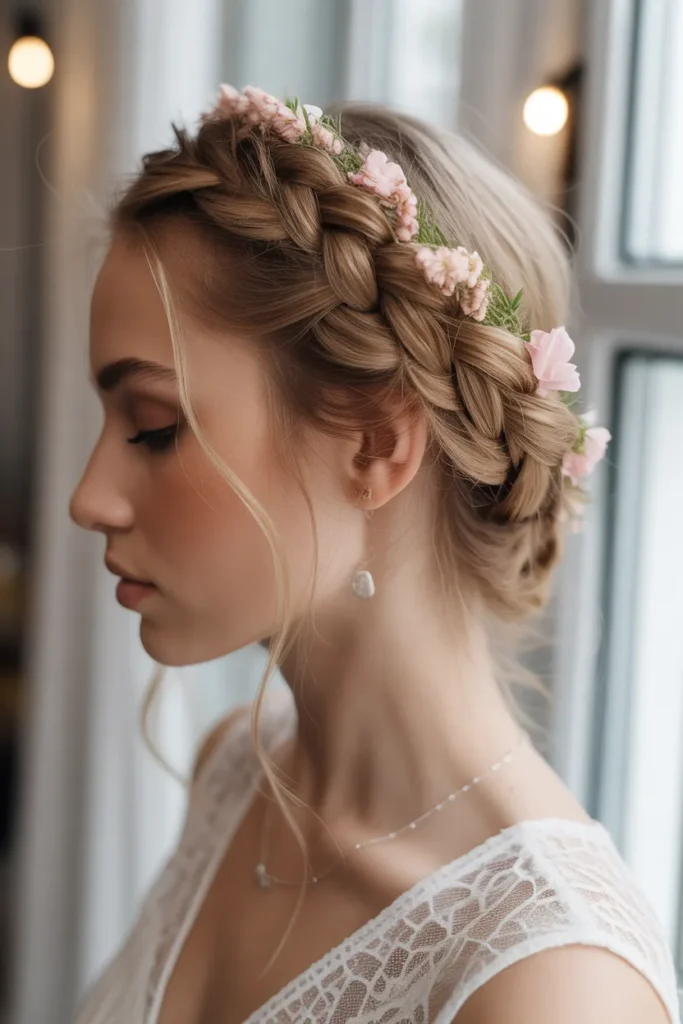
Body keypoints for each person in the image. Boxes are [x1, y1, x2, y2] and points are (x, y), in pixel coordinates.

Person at [69, 86, 678, 1024]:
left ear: (374, 447)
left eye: (153, 427)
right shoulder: (235, 774)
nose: (87, 497)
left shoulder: (549, 985)